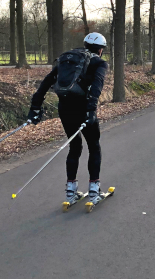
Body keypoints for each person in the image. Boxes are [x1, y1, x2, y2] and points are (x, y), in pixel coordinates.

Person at [27, 32, 109, 204]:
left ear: (85, 45)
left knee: (74, 146)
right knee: (94, 146)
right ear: (101, 49)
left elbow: (47, 82)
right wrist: (91, 110)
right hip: (84, 108)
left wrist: (35, 106)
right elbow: (96, 87)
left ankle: (70, 191)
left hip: (65, 108)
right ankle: (94, 191)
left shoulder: (68, 59)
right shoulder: (99, 63)